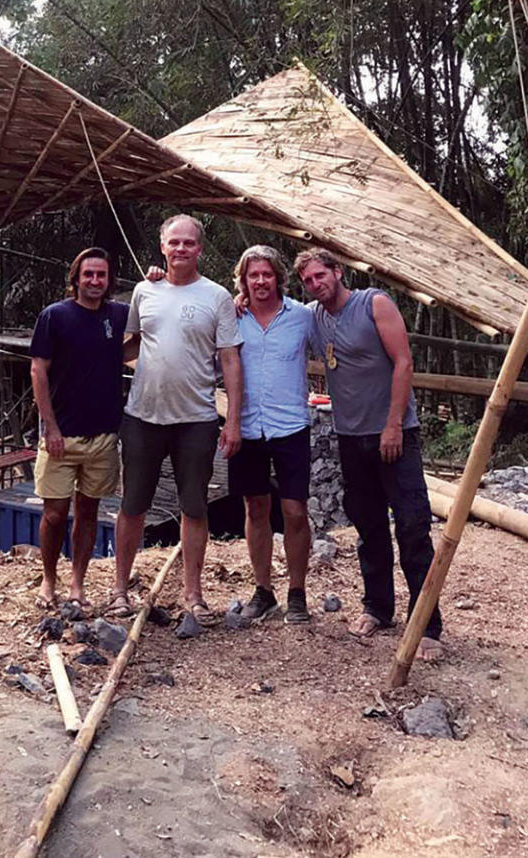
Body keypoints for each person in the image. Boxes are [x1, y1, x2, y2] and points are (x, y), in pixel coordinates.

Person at [294, 248, 442, 660]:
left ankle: (427, 623)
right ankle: (378, 607)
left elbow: (403, 362)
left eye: (321, 275)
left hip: (394, 433)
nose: (316, 284)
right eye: (308, 280)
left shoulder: (373, 303)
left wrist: (394, 424)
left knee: (412, 525)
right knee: (368, 525)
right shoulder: (314, 318)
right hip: (350, 435)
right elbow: (271, 312)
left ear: (338, 273)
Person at [108, 215, 243, 626]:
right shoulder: (144, 291)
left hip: (196, 419)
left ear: (200, 249)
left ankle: (194, 594)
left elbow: (230, 359)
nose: (181, 249)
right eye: (174, 243)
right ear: (162, 246)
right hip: (142, 417)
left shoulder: (216, 296)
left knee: (194, 507)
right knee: (132, 506)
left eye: (189, 243)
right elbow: (130, 347)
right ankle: (119, 590)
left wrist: (232, 419)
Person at [30, 247, 129, 610]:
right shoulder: (55, 316)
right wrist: (50, 427)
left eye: (101, 275)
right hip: (61, 436)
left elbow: (144, 332)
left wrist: (156, 280)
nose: (95, 281)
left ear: (109, 280)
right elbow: (38, 371)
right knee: (54, 513)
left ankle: (77, 583)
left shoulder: (118, 314)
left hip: (102, 436)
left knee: (88, 511)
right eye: (88, 274)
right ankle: (48, 580)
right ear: (76, 278)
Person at [230, 245, 316, 625]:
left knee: (295, 511)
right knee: (255, 507)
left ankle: (297, 592)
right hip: (248, 425)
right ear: (243, 280)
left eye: (266, 274)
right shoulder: (233, 317)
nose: (260, 281)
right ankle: (263, 590)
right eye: (253, 275)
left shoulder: (302, 317)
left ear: (278, 277)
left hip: (291, 425)